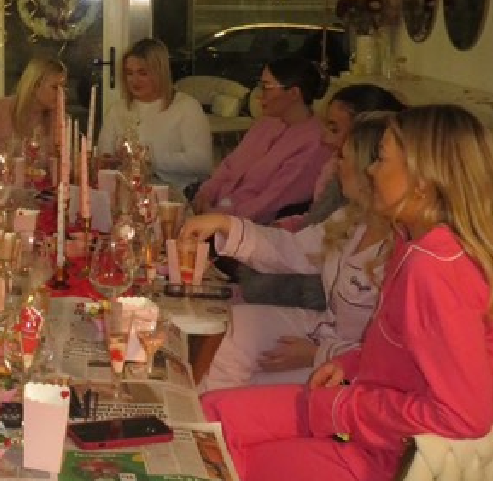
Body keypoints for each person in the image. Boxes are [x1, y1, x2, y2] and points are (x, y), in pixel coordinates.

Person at [200, 104, 493, 481]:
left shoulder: (434, 267)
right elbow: (400, 349)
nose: (371, 169)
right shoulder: (411, 241)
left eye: (382, 160)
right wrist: (350, 364)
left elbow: (465, 415)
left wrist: (346, 407)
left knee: (220, 460)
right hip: (356, 412)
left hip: (382, 454)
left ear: (421, 180)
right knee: (210, 415)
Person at [183, 112, 391, 392]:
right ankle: (203, 413)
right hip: (324, 333)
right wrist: (224, 224)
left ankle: (219, 413)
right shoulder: (351, 220)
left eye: (343, 157)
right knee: (232, 327)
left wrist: (319, 353)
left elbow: (395, 355)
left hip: (350, 367)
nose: (335, 164)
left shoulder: (401, 250)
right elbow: (291, 250)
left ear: (369, 169)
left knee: (247, 385)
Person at [237, 84, 404, 311]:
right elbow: (306, 241)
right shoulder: (349, 213)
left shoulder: (404, 245)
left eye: (335, 129)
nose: (325, 138)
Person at [191, 57, 334, 224]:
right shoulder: (267, 122)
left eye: (266, 87)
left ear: (294, 93)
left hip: (248, 231)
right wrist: (205, 195)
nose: (259, 95)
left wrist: (219, 220)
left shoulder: (315, 143)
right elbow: (229, 165)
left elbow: (270, 204)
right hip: (215, 213)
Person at [97, 38, 212, 190]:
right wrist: (110, 161)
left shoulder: (186, 107)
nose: (134, 80)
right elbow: (104, 155)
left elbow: (202, 162)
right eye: (129, 73)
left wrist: (150, 159)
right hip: (126, 191)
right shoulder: (118, 110)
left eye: (142, 73)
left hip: (175, 193)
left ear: (160, 73)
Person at [0, 57, 66, 169]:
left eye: (63, 87)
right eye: (55, 87)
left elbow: (62, 167)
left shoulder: (57, 120)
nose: (61, 94)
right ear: (34, 86)